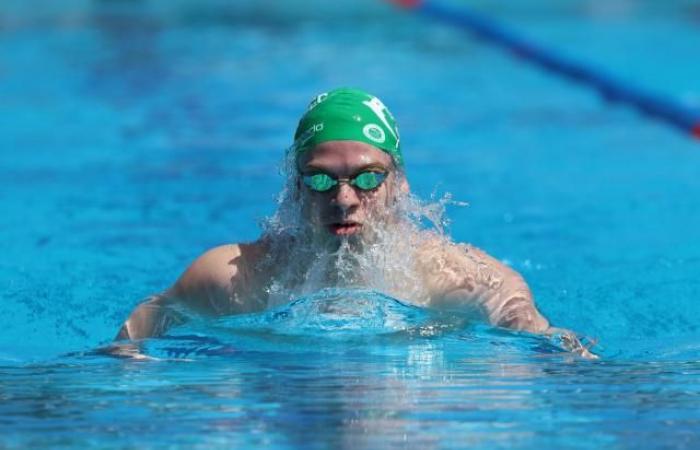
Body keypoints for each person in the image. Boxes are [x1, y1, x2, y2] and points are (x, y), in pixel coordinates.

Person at [115, 87, 594, 358]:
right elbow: (138, 333)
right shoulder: (235, 277)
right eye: (321, 181)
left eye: (367, 177)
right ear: (295, 187)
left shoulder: (455, 277)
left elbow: (540, 341)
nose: (344, 199)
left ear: (399, 183)